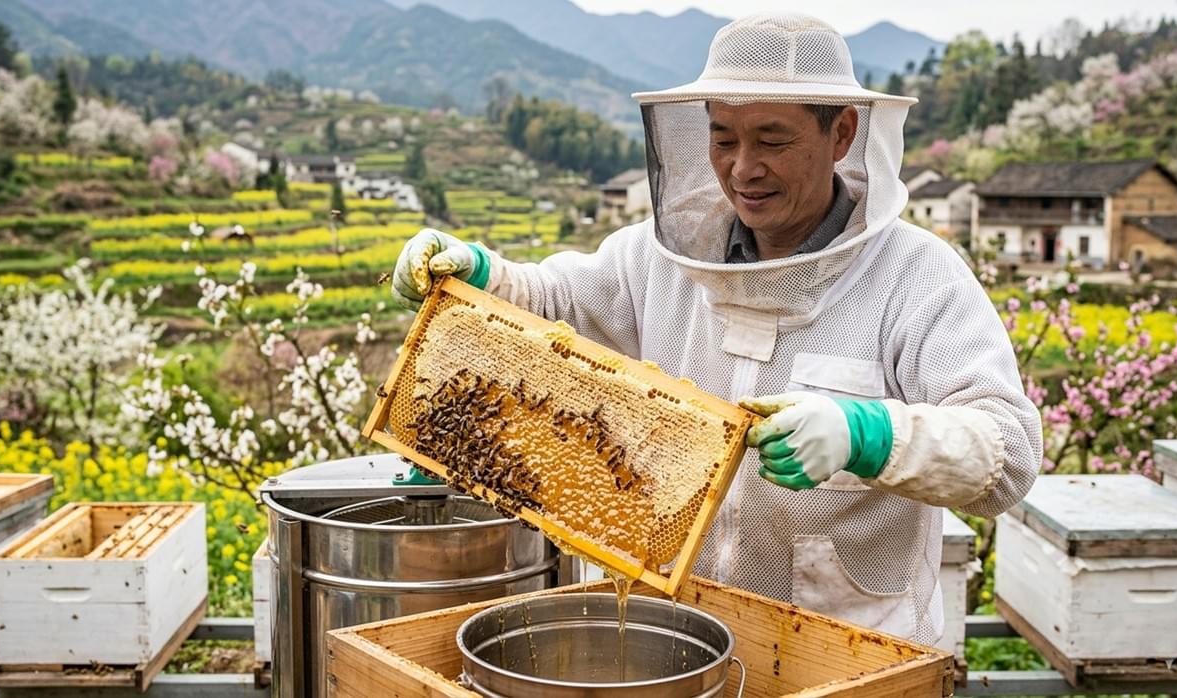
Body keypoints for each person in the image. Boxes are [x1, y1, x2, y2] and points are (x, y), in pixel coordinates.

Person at [390, 13, 1041, 644]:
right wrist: (482, 274)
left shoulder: (917, 276)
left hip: (845, 653)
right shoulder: (663, 254)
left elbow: (1009, 455)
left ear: (841, 134)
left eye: (772, 140)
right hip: (666, 636)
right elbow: (560, 301)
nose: (742, 168)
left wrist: (868, 436)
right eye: (723, 138)